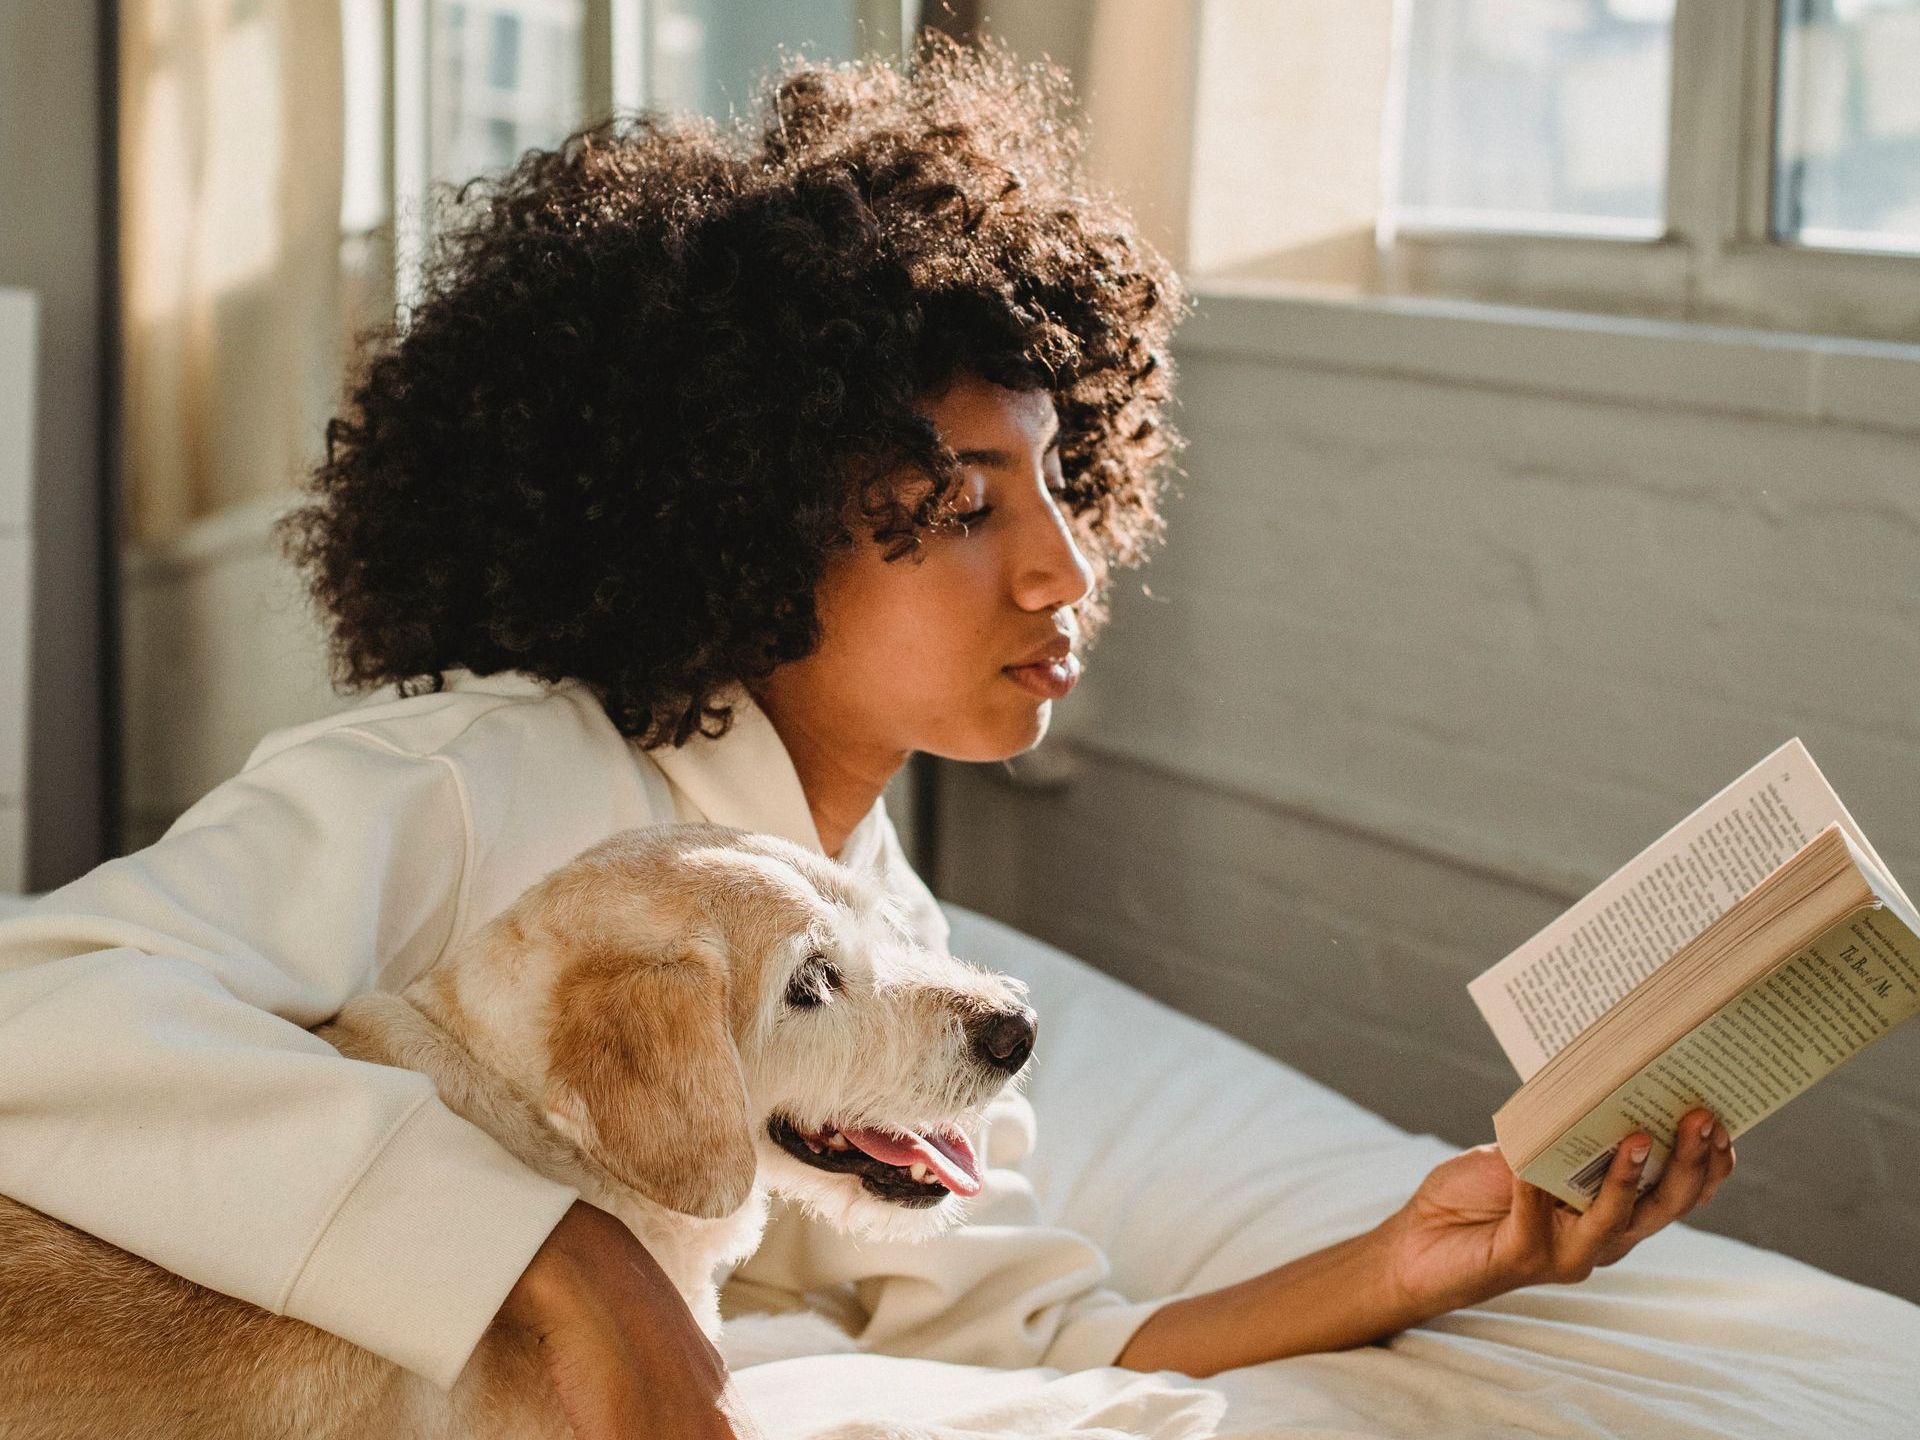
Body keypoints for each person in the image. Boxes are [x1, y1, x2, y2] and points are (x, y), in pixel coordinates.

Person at [0, 36, 1734, 1440]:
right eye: (963, 502)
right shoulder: (468, 782)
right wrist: (546, 1255)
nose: (1064, 562)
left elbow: (1036, 1330)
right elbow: (44, 1009)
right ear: (742, 523)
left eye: (1063, 481)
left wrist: (1409, 1269)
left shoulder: (878, 923)